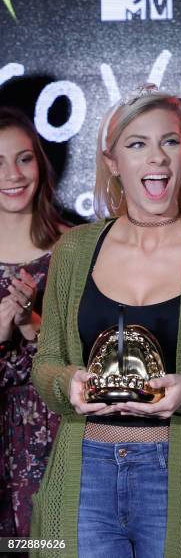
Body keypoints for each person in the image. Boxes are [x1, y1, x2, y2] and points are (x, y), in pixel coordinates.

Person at [30, 84, 181, 558]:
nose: (156, 159)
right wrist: (68, 384)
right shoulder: (75, 250)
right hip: (85, 476)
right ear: (113, 161)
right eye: (137, 144)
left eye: (170, 142)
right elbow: (47, 364)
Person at [0, 107, 63, 539]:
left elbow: (98, 368)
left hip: (57, 457)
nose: (13, 174)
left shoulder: (75, 249)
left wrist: (31, 326)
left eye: (24, 158)